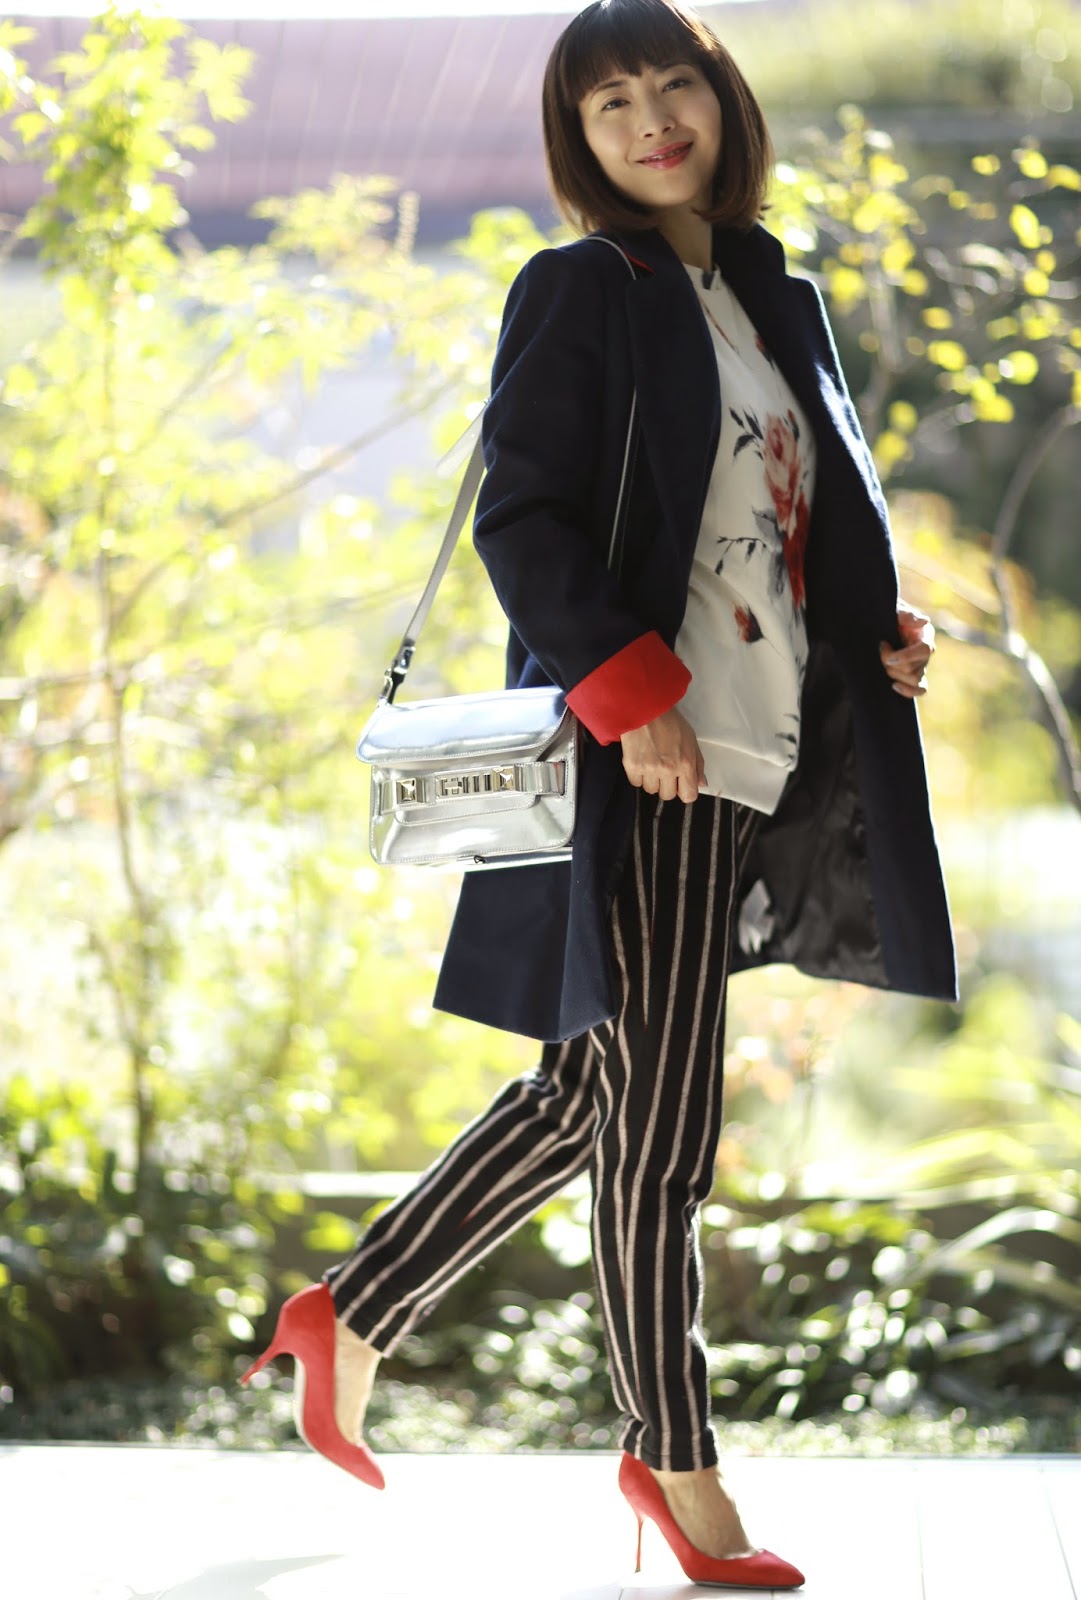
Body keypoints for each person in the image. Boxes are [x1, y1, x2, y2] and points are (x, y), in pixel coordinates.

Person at [240, 0, 957, 1588]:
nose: (649, 120)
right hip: (657, 755)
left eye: (671, 84)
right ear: (579, 137)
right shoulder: (580, 288)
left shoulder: (772, 295)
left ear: (720, 97)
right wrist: (631, 698)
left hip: (761, 741)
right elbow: (525, 517)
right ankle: (672, 1460)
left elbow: (790, 523)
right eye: (610, 101)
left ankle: (350, 1312)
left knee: (592, 1095)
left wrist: (879, 634)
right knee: (660, 1134)